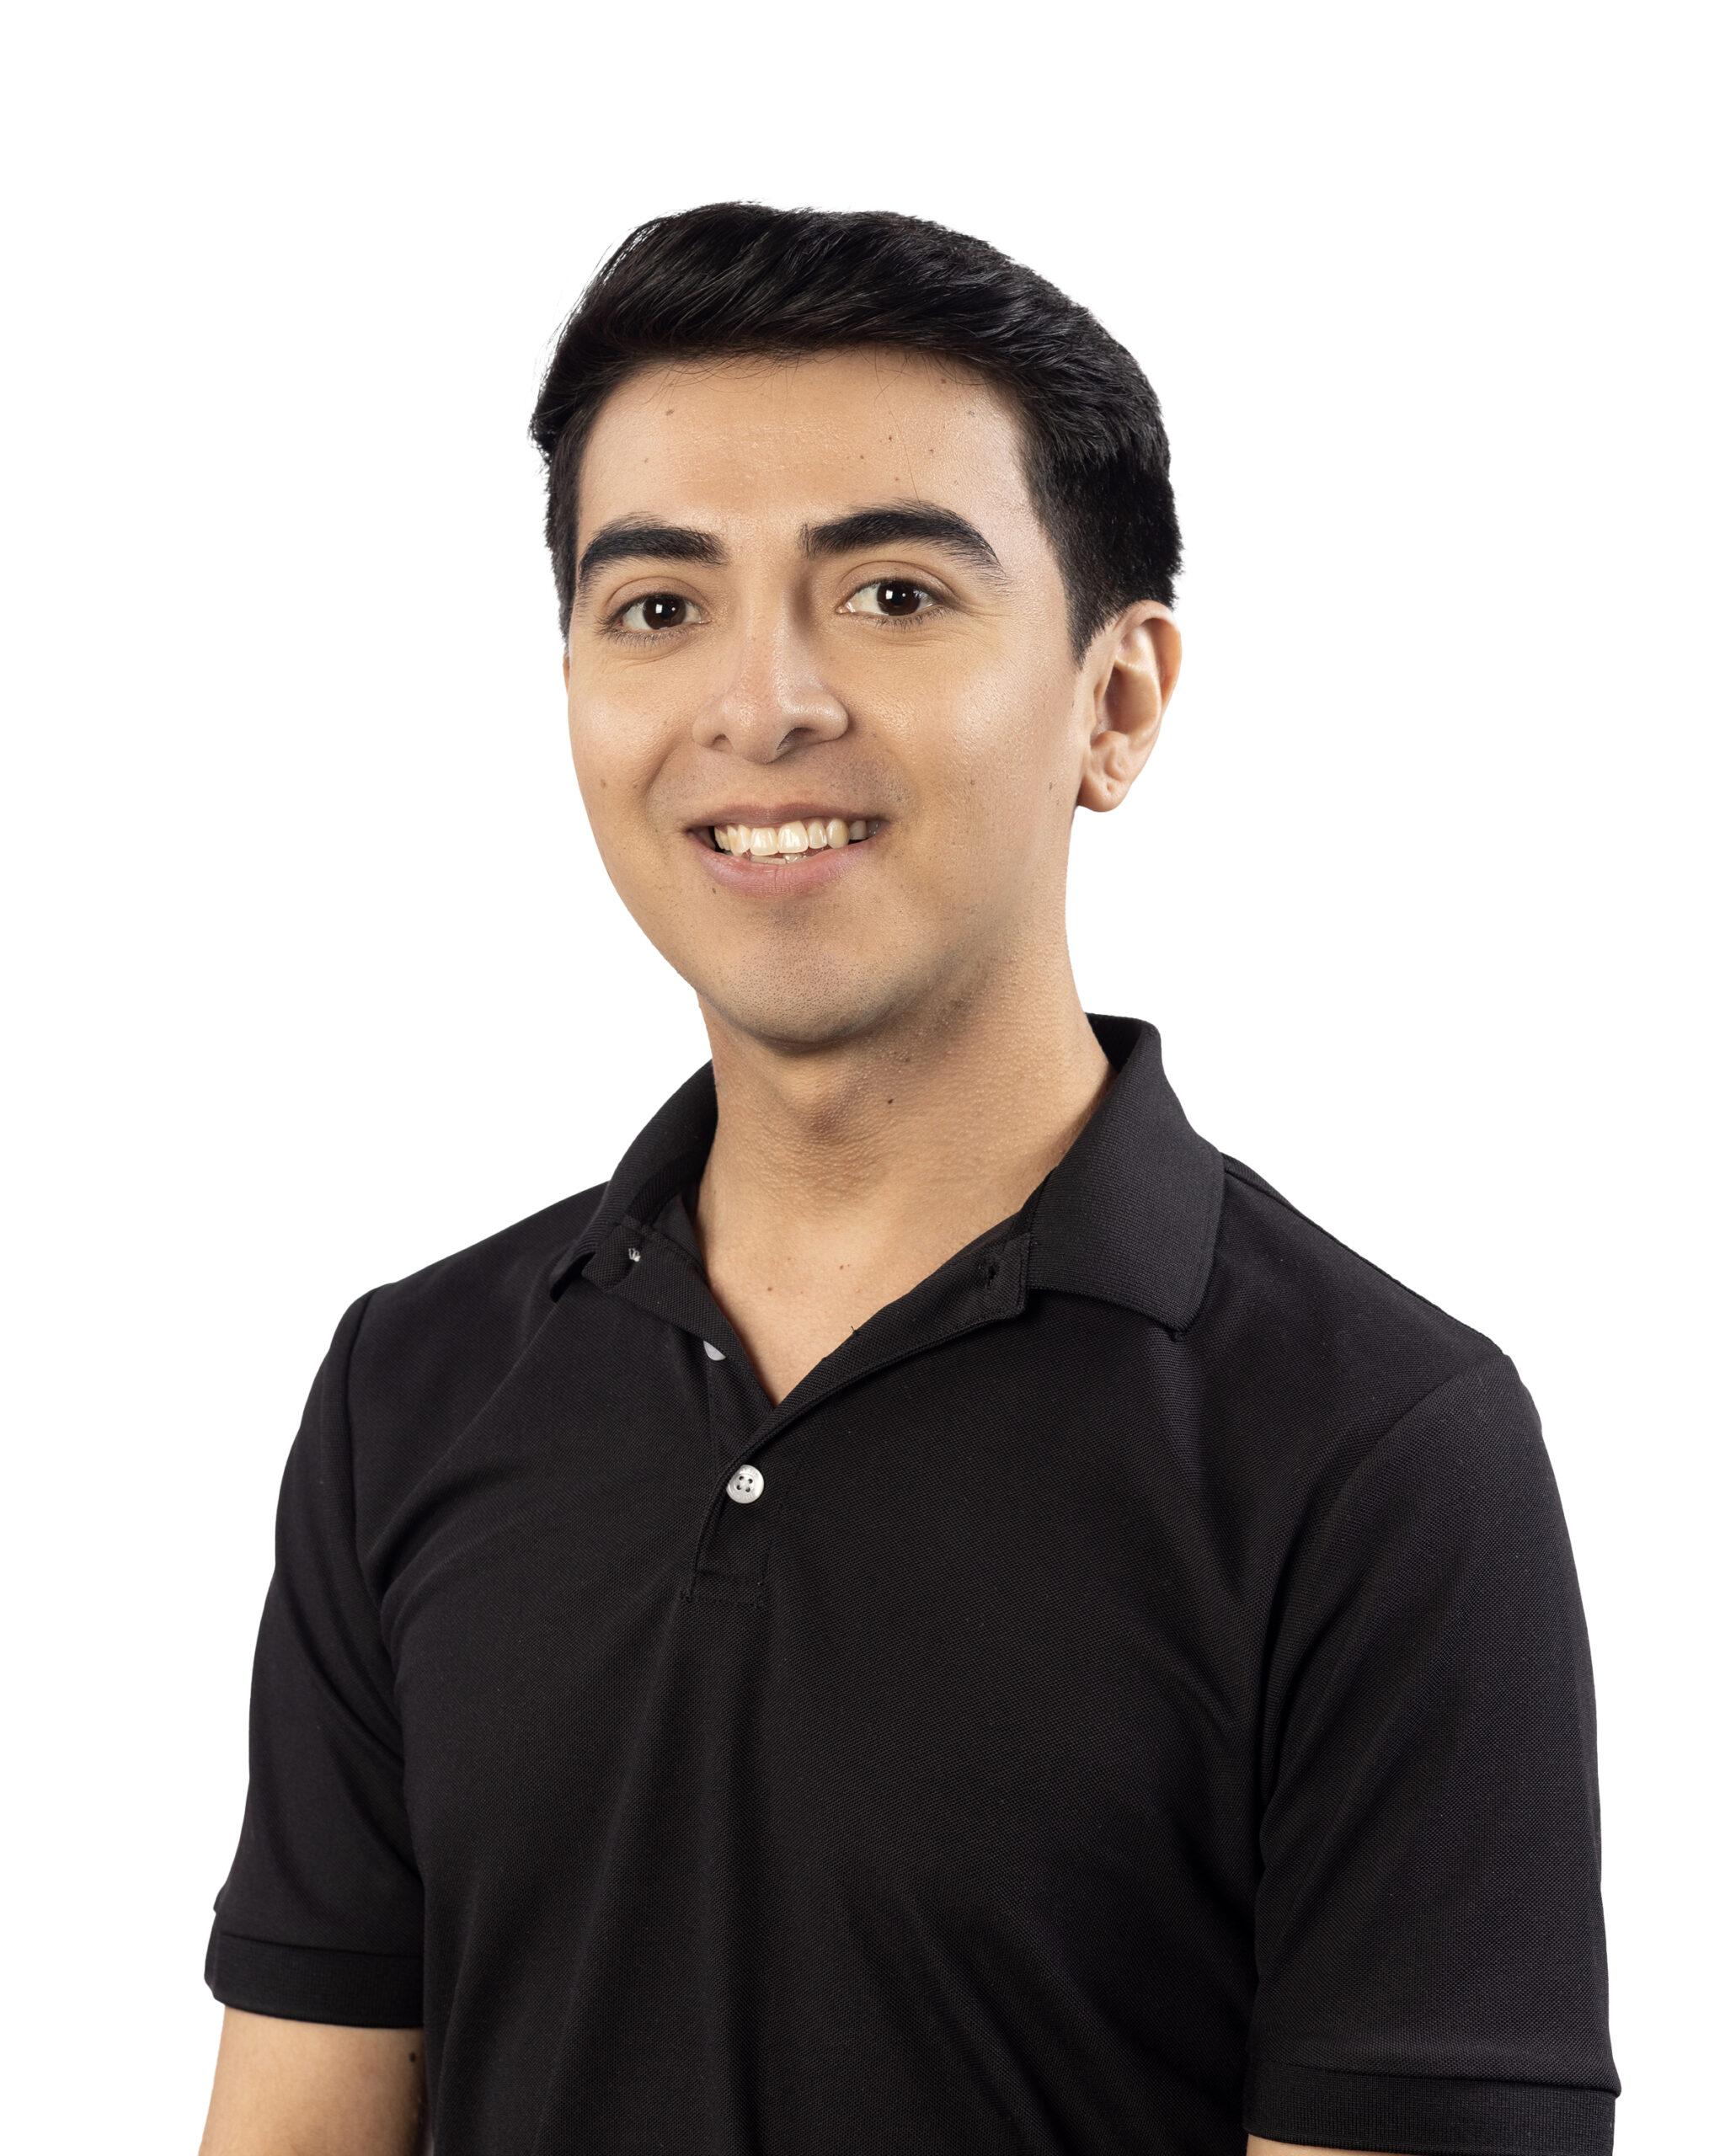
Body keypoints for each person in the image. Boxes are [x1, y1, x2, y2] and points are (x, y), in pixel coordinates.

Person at [198, 205, 1616, 2156]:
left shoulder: (1376, 1447)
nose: (760, 704)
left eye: (889, 594)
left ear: (1115, 701)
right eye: (658, 608)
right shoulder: (412, 1387)